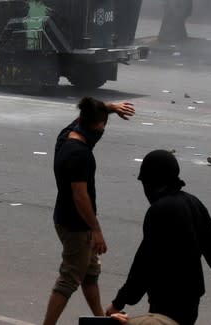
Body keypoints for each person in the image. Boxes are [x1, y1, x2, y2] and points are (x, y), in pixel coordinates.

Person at [105, 149, 211, 325]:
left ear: (152, 181)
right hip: (191, 298)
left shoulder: (159, 210)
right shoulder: (192, 202)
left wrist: (119, 302)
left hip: (166, 299)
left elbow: (144, 263)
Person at [41, 97, 136, 325]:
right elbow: (80, 196)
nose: (103, 130)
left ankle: (98, 319)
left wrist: (110, 108)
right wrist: (97, 232)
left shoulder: (66, 136)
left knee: (91, 273)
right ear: (97, 126)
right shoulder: (80, 154)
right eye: (102, 125)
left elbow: (86, 118)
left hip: (68, 218)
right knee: (69, 279)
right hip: (76, 225)